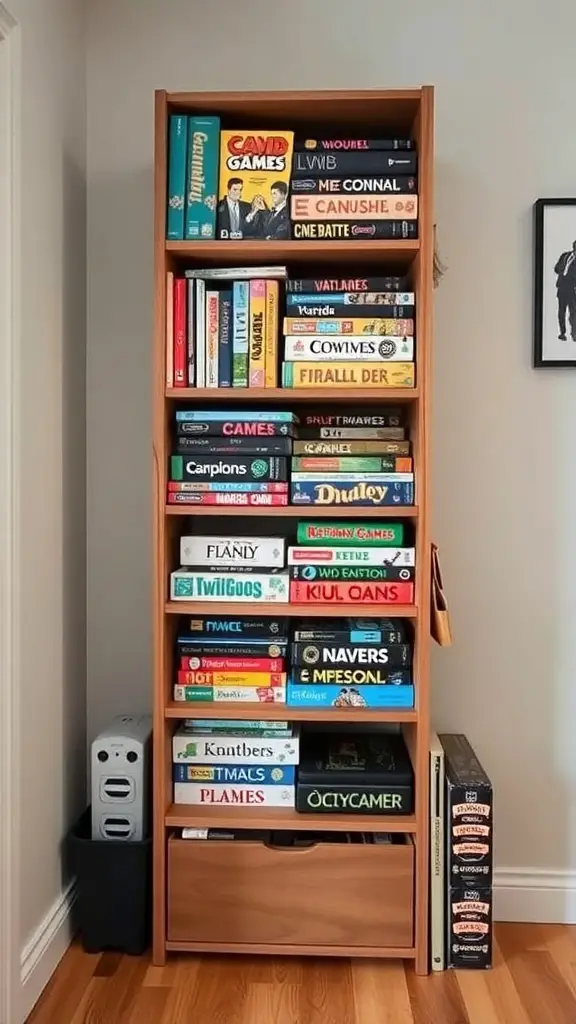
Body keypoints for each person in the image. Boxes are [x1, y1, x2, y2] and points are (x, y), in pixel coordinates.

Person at [554, 240, 576, 340]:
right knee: (561, 312)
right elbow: (556, 268)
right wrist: (562, 272)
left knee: (573, 312)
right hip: (562, 288)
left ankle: (574, 334)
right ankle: (562, 333)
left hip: (572, 290)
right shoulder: (565, 255)